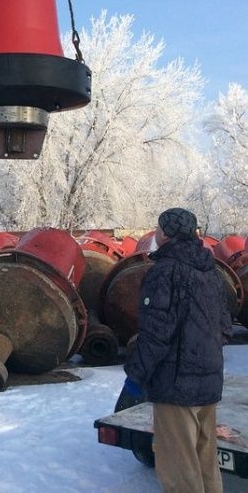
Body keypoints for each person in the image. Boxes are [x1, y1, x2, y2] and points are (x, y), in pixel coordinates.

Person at [123, 207, 232, 493]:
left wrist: (135, 377)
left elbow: (155, 334)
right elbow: (224, 326)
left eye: (158, 230)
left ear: (164, 234)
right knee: (205, 464)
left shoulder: (164, 273)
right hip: (208, 384)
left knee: (179, 473)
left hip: (175, 391)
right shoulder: (210, 271)